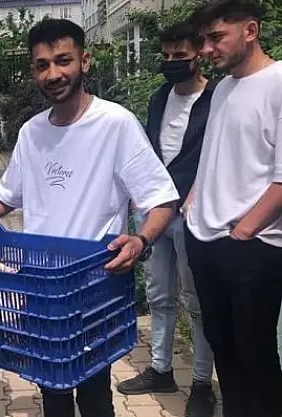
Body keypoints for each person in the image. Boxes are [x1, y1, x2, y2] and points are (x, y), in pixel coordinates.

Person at [0, 19, 179, 417]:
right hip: (41, 290)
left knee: (94, 396)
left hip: (95, 287)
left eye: (63, 61)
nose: (53, 74)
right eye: (42, 65)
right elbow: (6, 197)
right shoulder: (32, 133)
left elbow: (161, 200)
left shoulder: (115, 124)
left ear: (84, 61)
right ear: (33, 71)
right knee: (52, 392)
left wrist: (141, 241)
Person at [183, 1, 282, 416]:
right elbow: (216, 155)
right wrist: (192, 204)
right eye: (203, 39)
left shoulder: (278, 83)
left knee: (255, 350)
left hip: (253, 245)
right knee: (222, 345)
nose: (206, 49)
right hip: (205, 237)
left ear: (250, 31)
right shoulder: (223, 88)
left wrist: (244, 231)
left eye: (216, 37)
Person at [116, 21, 217, 417]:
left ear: (198, 54)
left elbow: (218, 156)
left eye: (181, 55)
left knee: (196, 302)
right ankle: (161, 369)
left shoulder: (216, 99)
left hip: (194, 216)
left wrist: (195, 197)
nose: (172, 61)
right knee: (159, 296)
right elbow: (148, 154)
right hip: (156, 215)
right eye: (167, 55)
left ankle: (202, 383)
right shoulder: (159, 97)